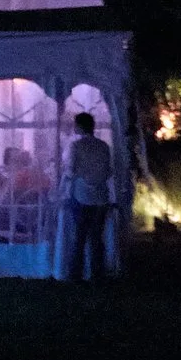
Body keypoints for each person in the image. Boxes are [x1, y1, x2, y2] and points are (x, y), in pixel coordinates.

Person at [65, 112, 117, 282]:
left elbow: (71, 170)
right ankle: (97, 273)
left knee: (79, 237)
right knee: (97, 237)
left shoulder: (76, 146)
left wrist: (73, 177)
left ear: (79, 126)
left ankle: (76, 274)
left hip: (82, 195)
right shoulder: (104, 146)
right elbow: (109, 170)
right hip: (101, 196)